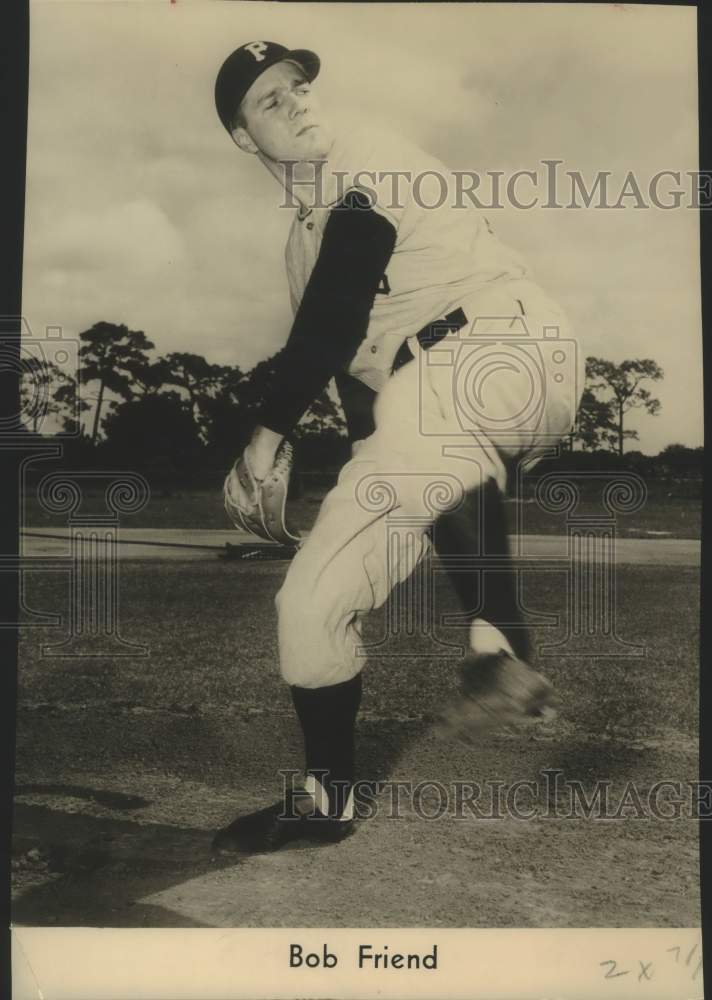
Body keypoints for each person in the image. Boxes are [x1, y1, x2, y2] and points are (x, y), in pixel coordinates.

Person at [211, 41, 583, 854]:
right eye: (271, 101)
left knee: (424, 396)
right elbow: (360, 392)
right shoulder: (296, 249)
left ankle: (502, 638)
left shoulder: (368, 154)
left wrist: (265, 437)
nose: (299, 103)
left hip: (510, 344)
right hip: (428, 417)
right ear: (245, 138)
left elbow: (340, 309)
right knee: (308, 605)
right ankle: (327, 800)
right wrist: (378, 499)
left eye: (300, 86)